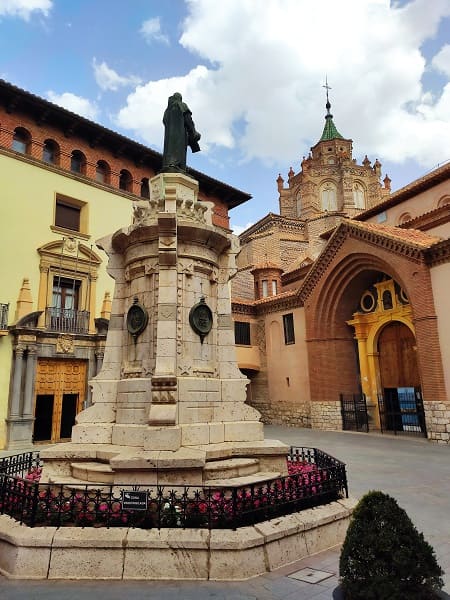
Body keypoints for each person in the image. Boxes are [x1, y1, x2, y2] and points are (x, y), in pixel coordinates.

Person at [161, 92, 201, 172]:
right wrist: (193, 132)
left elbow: (164, 122)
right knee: (180, 150)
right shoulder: (182, 105)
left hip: (169, 138)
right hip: (180, 134)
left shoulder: (167, 111)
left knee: (169, 150)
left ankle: (170, 164)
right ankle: (178, 165)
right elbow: (188, 119)